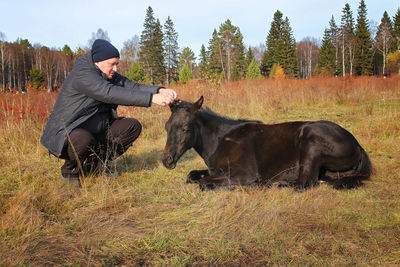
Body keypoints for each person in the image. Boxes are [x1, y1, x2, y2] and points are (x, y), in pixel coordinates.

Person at [41, 39, 178, 187]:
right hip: (68, 132)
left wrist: (159, 90)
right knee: (83, 138)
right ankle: (70, 171)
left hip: (98, 127)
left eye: (116, 64)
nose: (115, 69)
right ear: (98, 62)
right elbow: (108, 92)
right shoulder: (82, 75)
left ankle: (94, 166)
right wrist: (152, 99)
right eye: (112, 64)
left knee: (132, 127)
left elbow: (132, 86)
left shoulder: (107, 74)